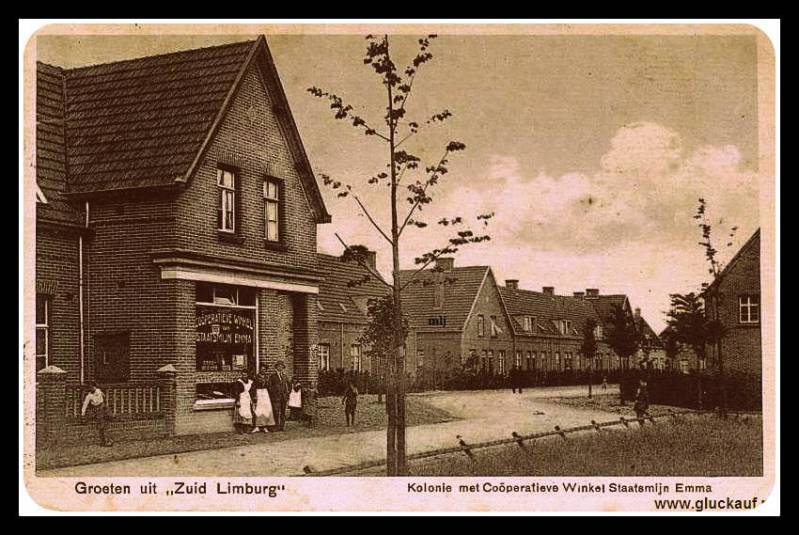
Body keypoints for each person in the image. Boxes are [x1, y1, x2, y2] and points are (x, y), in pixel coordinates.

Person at [81, 382, 112, 446]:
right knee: (101, 425)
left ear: (95, 387)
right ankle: (104, 441)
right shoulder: (89, 396)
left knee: (106, 424)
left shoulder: (99, 391)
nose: (92, 388)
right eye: (90, 388)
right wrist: (83, 412)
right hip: (97, 410)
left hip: (103, 407)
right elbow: (85, 404)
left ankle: (109, 440)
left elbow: (104, 396)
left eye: (93, 387)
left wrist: (105, 405)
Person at [267, 361, 291, 431]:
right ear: (276, 367)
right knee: (276, 411)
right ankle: (276, 425)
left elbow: (289, 384)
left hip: (283, 397)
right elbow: (269, 386)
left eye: (282, 366)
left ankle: (282, 426)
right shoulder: (273, 376)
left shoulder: (284, 376)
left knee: (283, 412)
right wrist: (273, 393)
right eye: (279, 366)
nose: (280, 368)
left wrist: (287, 392)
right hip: (276, 397)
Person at [251, 368, 275, 433]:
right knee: (258, 409)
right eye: (262, 369)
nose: (263, 370)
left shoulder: (267, 378)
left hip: (265, 394)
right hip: (258, 393)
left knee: (266, 409)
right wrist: (254, 395)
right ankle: (257, 426)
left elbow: (270, 386)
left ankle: (265, 426)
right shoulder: (256, 377)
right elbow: (253, 387)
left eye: (264, 369)